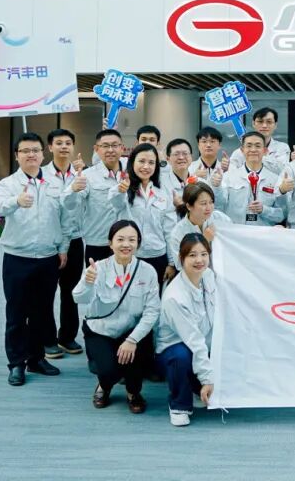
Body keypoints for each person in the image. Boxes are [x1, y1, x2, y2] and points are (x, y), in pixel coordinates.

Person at [0, 133, 68, 387]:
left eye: (35, 150)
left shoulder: (54, 184)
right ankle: (16, 363)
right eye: (25, 151)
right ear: (17, 156)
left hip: (47, 257)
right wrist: (17, 201)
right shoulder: (8, 184)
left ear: (43, 154)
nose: (31, 154)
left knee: (42, 312)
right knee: (16, 313)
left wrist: (63, 247)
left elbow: (64, 218)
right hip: (18, 258)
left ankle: (36, 358)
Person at [73, 220, 160, 414]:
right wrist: (87, 283)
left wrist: (132, 339)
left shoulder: (147, 271)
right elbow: (78, 298)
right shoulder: (97, 268)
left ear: (138, 243)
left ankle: (133, 392)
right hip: (101, 329)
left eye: (132, 240)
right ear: (110, 243)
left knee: (136, 363)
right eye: (120, 239)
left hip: (132, 330)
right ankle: (104, 385)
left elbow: (152, 311)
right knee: (108, 371)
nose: (126, 244)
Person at [156, 233, 217, 427]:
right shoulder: (175, 297)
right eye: (192, 255)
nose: (199, 260)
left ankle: (195, 387)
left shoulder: (208, 276)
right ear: (181, 258)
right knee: (181, 356)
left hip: (201, 343)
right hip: (174, 348)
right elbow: (193, 339)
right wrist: (207, 379)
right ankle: (179, 406)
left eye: (204, 254)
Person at [41, 129, 87, 358]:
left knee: (71, 292)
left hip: (75, 240)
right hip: (49, 241)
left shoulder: (81, 175)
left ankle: (67, 336)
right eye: (58, 143)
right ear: (50, 147)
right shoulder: (41, 174)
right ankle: (47, 339)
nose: (64, 147)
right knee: (46, 293)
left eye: (68, 143)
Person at [109, 143, 178, 285]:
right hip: (129, 255)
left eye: (151, 162)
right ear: (132, 162)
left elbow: (169, 230)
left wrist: (172, 263)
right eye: (141, 161)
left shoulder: (163, 193)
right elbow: (116, 203)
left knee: (155, 296)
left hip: (158, 256)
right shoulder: (121, 189)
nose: (146, 166)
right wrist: (121, 191)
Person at [63, 129, 126, 264]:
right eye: (105, 146)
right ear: (96, 149)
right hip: (99, 242)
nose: (110, 150)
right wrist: (73, 189)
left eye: (115, 145)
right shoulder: (87, 176)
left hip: (127, 242)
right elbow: (69, 204)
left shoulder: (132, 171)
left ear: (122, 148)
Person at [221, 131, 286, 226]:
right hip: (236, 232)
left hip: (263, 232)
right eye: (249, 146)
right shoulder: (228, 177)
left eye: (258, 146)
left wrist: (264, 210)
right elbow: (218, 206)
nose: (253, 150)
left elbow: (282, 215)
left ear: (265, 151)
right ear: (242, 150)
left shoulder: (275, 180)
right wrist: (216, 186)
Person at [170, 183, 230, 270]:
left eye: (211, 202)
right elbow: (182, 267)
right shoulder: (178, 233)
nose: (209, 208)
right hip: (199, 277)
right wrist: (204, 241)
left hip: (222, 273)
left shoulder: (220, 218)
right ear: (189, 206)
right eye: (203, 203)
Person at [229, 107, 294, 172]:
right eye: (260, 121)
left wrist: (259, 156)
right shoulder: (241, 151)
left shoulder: (282, 148)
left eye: (269, 122)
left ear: (275, 125)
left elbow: (282, 170)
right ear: (253, 124)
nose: (264, 125)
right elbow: (232, 173)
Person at [160, 138, 193, 207]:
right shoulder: (160, 183)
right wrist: (174, 206)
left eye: (185, 153)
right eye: (176, 154)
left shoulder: (201, 182)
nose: (181, 157)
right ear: (168, 159)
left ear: (191, 157)